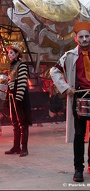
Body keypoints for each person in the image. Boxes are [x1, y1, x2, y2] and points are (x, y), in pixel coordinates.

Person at [50, 21, 90, 182]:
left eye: (87, 36)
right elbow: (54, 71)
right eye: (81, 36)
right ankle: (78, 169)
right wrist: (66, 88)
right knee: (79, 135)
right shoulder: (69, 55)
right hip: (79, 97)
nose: (85, 39)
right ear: (76, 39)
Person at [4, 42, 32, 157]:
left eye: (11, 53)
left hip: (19, 96)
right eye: (9, 53)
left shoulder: (22, 65)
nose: (9, 55)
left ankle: (24, 147)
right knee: (14, 122)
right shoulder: (12, 65)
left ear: (17, 54)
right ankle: (16, 146)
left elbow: (21, 82)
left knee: (22, 122)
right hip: (12, 95)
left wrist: (18, 98)